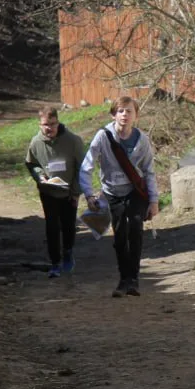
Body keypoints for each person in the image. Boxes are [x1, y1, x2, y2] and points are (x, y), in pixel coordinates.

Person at [79, 95, 159, 297]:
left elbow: (149, 171)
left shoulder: (142, 140)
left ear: (136, 115)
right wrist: (88, 194)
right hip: (112, 192)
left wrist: (154, 200)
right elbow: (86, 167)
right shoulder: (103, 137)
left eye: (129, 111)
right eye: (120, 111)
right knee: (120, 234)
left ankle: (134, 280)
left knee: (136, 228)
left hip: (135, 191)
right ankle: (124, 279)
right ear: (113, 115)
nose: (125, 115)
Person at [26, 107, 86, 279]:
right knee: (52, 226)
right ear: (40, 124)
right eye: (45, 125)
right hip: (48, 191)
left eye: (53, 124)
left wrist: (76, 192)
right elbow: (31, 163)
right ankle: (55, 262)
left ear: (58, 122)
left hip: (69, 191)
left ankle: (68, 252)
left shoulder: (73, 141)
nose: (49, 128)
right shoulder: (35, 143)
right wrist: (40, 176)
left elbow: (82, 167)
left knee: (68, 225)